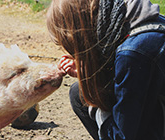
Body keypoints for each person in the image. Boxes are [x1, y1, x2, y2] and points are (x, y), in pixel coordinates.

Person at [46, 0, 165, 139]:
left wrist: (93, 85)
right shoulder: (137, 21)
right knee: (77, 92)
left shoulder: (133, 54)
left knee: (84, 97)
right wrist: (90, 73)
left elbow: (123, 136)